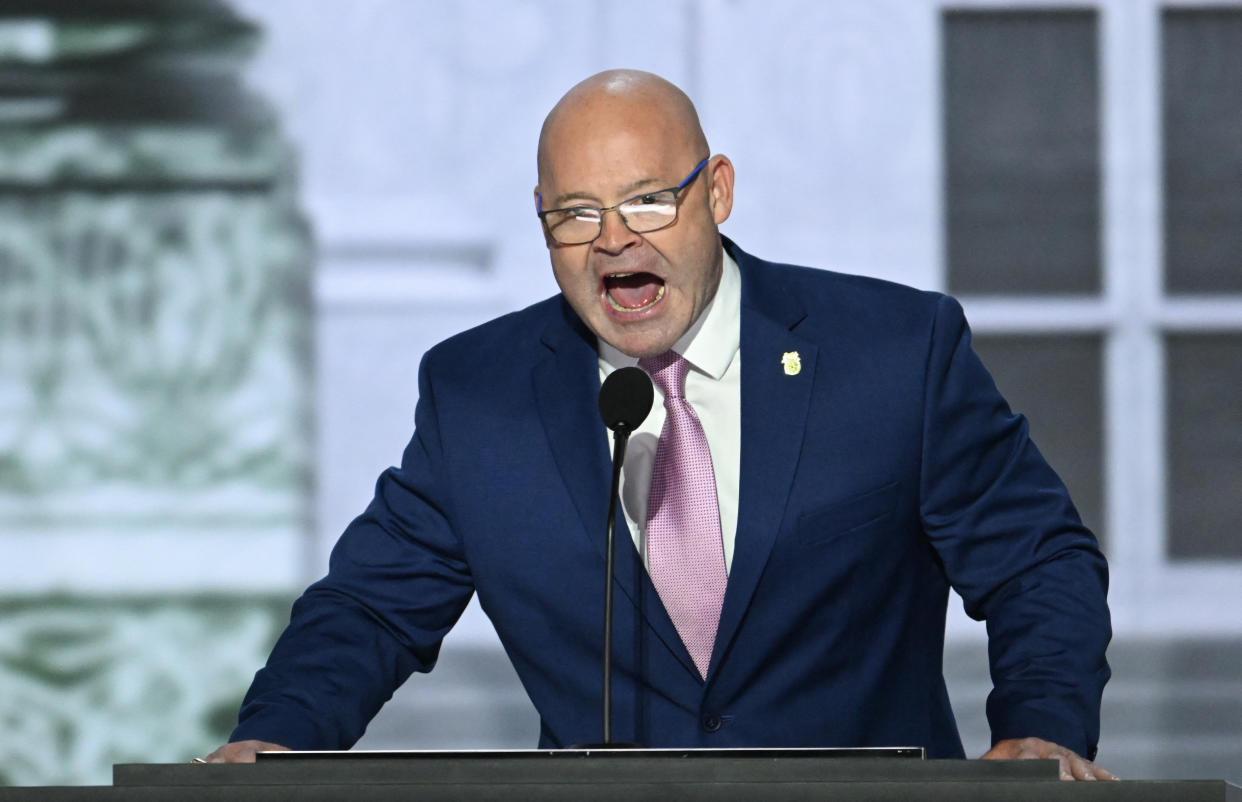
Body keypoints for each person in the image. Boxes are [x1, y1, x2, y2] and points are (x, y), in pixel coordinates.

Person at [208, 69, 1115, 781]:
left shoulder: (891, 354)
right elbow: (370, 607)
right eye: (576, 214)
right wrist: (274, 739)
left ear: (716, 192)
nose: (615, 240)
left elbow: (1037, 562)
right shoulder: (477, 396)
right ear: (542, 222)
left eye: (648, 199)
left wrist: (1039, 735)